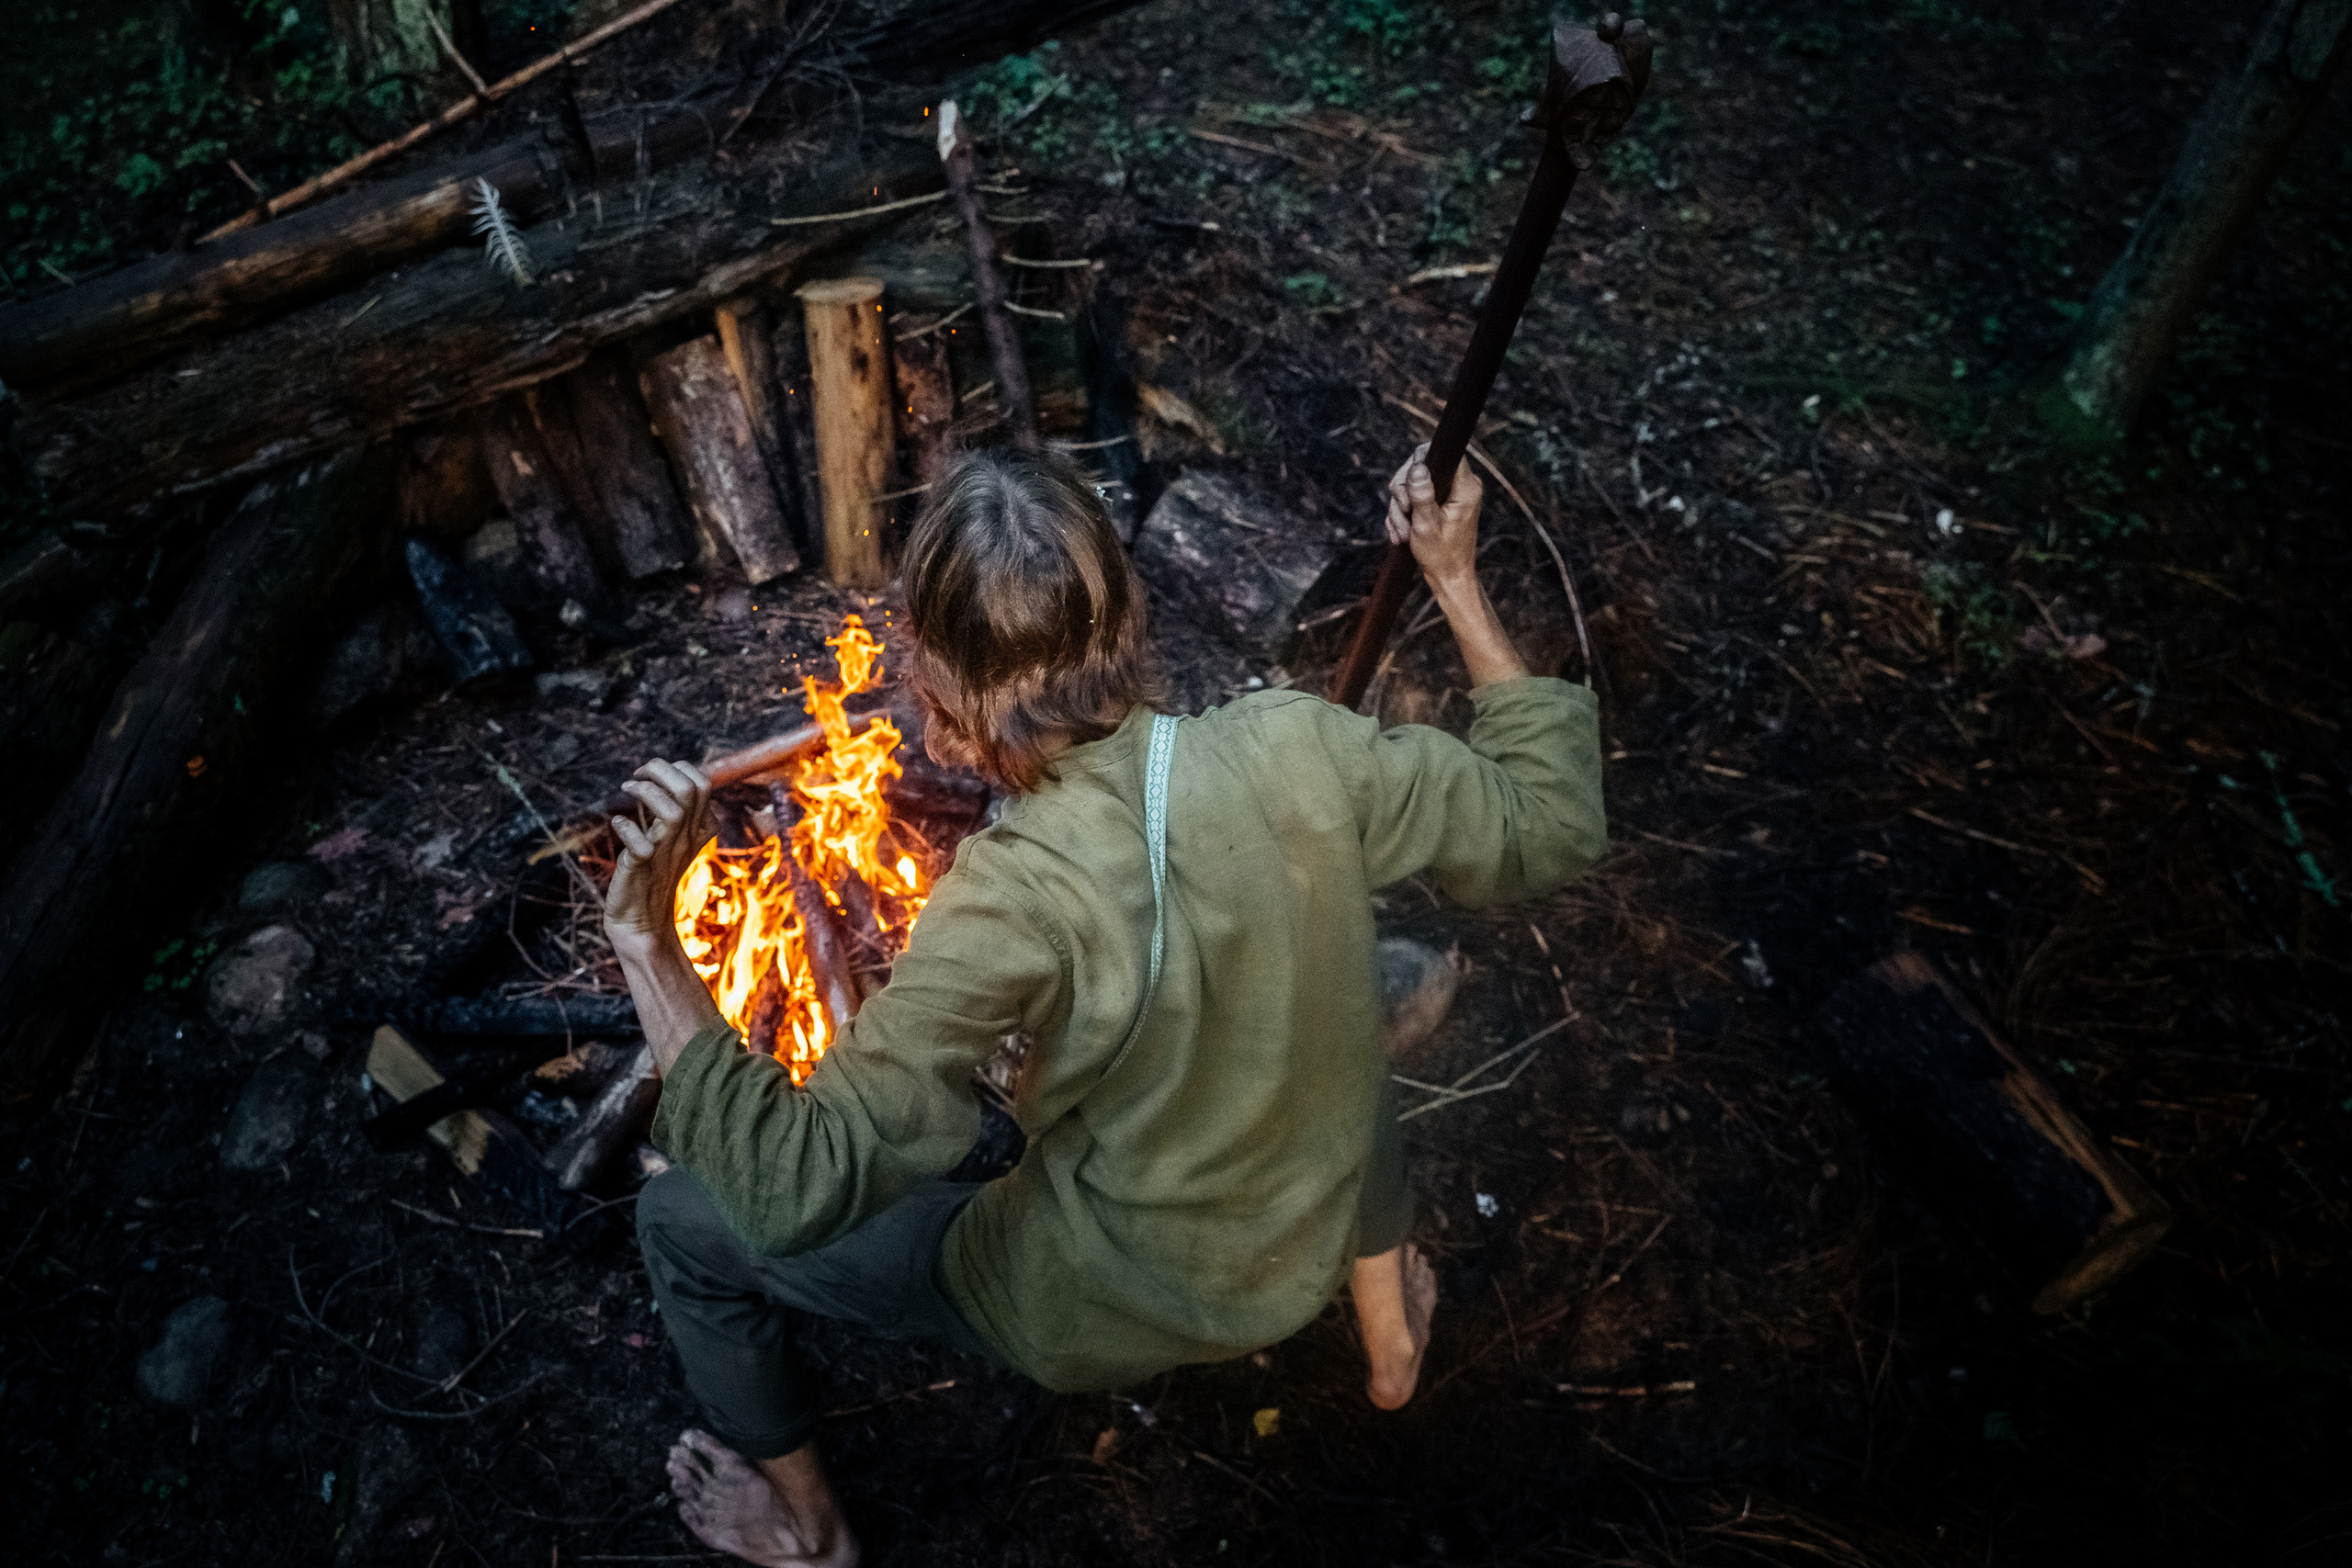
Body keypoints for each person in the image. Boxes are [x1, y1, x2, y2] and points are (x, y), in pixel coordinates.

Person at [601, 443, 1606, 1566]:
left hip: (1102, 1299)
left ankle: (810, 1533)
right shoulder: (1297, 741)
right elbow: (1551, 822)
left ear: (934, 682)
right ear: (1130, 618)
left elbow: (793, 1187)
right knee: (1315, 992)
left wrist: (646, 938)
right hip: (1300, 1226)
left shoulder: (1006, 896)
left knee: (682, 1220)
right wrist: (1452, 573)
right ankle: (1389, 1337)